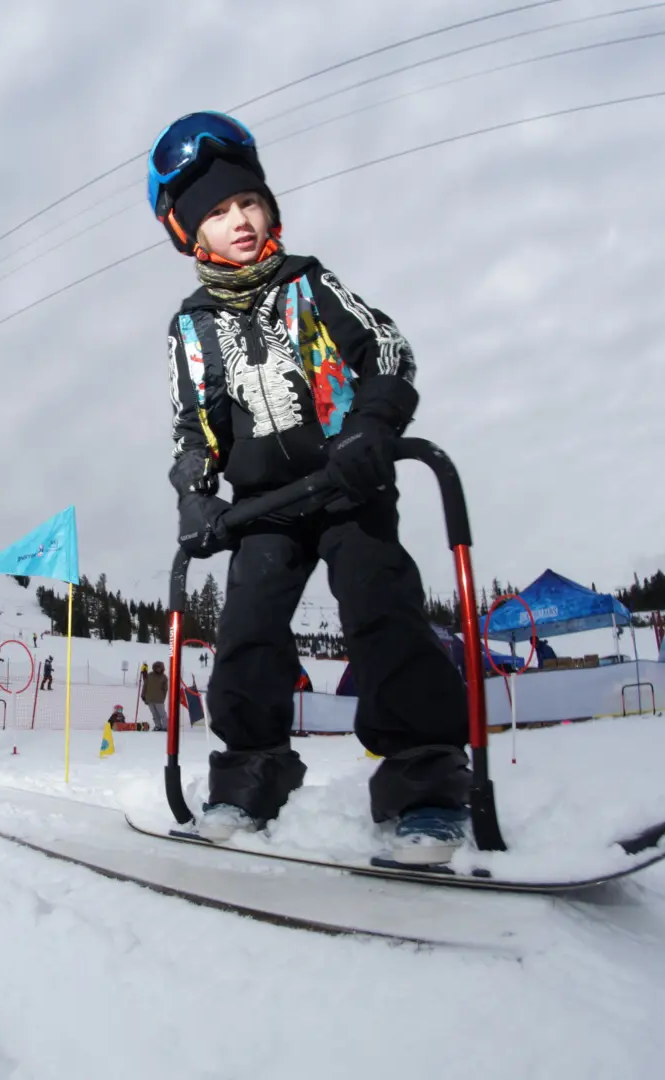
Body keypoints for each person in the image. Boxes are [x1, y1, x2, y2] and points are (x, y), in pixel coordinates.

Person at [151, 110, 470, 864]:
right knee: (248, 631)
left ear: (271, 209)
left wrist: (372, 425)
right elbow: (194, 428)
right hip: (264, 509)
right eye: (219, 212)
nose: (239, 220)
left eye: (249, 203)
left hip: (344, 480)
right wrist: (197, 495)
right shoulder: (191, 327)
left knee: (379, 603)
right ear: (189, 233)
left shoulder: (308, 282)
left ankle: (424, 783)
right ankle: (248, 778)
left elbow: (385, 348)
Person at [141, 660, 169, 731]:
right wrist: (143, 695)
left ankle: (166, 726)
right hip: (150, 698)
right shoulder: (150, 675)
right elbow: (145, 685)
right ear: (154, 668)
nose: (158, 669)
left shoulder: (164, 677)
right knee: (154, 714)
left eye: (159, 668)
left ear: (162, 668)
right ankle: (158, 726)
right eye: (156, 668)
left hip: (159, 699)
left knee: (162, 713)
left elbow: (165, 689)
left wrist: (162, 697)